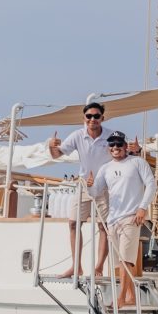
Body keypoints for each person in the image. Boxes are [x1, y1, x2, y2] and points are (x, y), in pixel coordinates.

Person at [86, 130, 156, 308]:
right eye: (112, 144)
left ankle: (120, 299)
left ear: (125, 146)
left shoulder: (137, 162)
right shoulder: (105, 168)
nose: (115, 147)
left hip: (131, 217)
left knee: (126, 260)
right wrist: (89, 186)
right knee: (120, 262)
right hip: (113, 220)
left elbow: (151, 184)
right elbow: (96, 193)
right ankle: (131, 297)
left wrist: (142, 208)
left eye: (118, 144)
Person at [48, 102, 114, 278]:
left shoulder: (110, 136)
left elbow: (124, 154)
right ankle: (76, 266)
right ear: (84, 118)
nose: (92, 119)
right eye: (89, 116)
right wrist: (50, 145)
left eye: (96, 116)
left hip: (105, 185)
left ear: (102, 118)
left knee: (104, 226)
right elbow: (56, 155)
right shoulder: (78, 135)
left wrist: (135, 150)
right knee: (73, 223)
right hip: (84, 184)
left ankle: (99, 268)